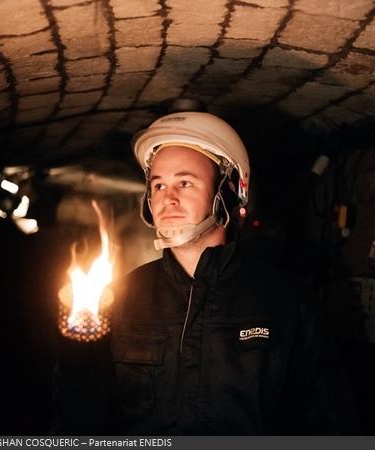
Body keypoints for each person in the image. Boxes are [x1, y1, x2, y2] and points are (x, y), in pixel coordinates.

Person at [107, 112, 357, 435]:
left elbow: (329, 422)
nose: (167, 198)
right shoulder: (123, 296)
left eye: (184, 182)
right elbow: (86, 410)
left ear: (228, 193)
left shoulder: (285, 301)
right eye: (158, 185)